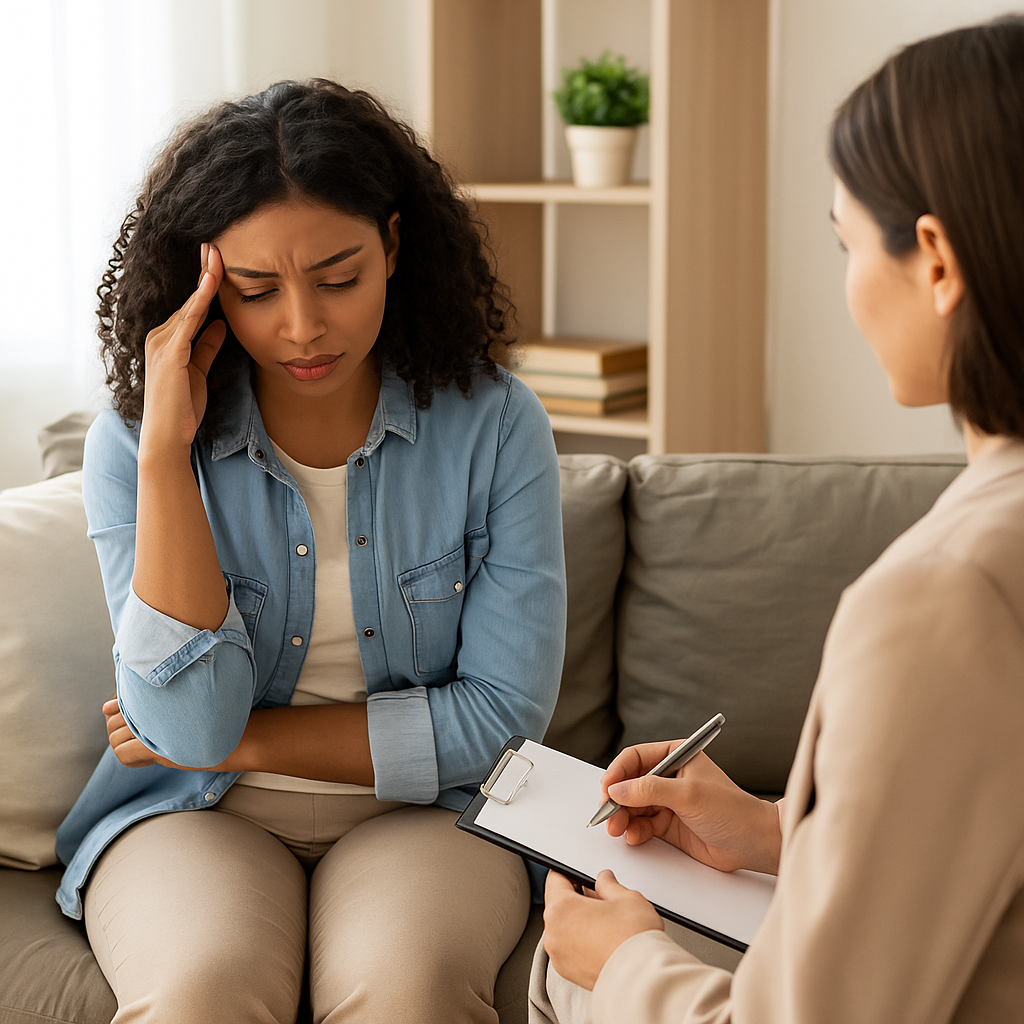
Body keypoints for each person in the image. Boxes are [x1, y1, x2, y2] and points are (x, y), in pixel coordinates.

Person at [530, 15, 1024, 1024]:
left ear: (934, 259)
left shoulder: (948, 593)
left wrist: (626, 963)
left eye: (845, 242)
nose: (848, 284)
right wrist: (769, 828)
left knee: (563, 974)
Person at [53, 79, 566, 1024]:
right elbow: (189, 735)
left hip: (425, 813)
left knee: (408, 993)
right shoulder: (133, 443)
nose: (302, 325)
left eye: (339, 278)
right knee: (202, 990)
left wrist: (249, 736)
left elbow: (500, 721)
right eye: (255, 289)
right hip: (197, 809)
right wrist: (168, 457)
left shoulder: (495, 426)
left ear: (395, 248)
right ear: (205, 284)